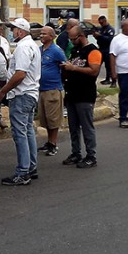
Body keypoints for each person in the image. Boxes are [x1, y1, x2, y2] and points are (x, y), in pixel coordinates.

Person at [0, 18, 41, 187]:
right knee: (27, 130)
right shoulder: (32, 45)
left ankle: (23, 171)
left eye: (13, 29)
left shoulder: (22, 47)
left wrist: (3, 91)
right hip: (30, 93)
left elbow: (20, 74)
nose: (12, 32)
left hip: (21, 94)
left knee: (20, 133)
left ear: (20, 32)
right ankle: (31, 167)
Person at [61, 24, 102, 168]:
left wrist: (74, 68)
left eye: (73, 39)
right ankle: (76, 153)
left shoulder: (93, 51)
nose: (71, 42)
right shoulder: (75, 51)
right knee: (73, 127)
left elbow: (94, 71)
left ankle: (91, 155)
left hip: (85, 95)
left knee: (86, 127)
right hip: (72, 94)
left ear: (82, 36)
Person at [37, 25, 66, 157]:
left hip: (53, 89)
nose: (41, 36)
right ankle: (49, 141)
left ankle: (53, 144)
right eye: (41, 34)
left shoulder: (56, 51)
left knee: (53, 119)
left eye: (44, 34)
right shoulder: (39, 50)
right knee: (45, 119)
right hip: (41, 89)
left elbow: (65, 66)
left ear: (52, 36)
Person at [96, 16, 116, 86]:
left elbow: (109, 39)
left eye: (102, 22)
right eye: (100, 23)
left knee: (108, 65)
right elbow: (99, 38)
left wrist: (100, 36)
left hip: (108, 49)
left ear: (105, 21)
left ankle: (110, 79)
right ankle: (95, 78)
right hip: (101, 48)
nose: (101, 24)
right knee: (97, 64)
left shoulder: (110, 29)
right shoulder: (100, 29)